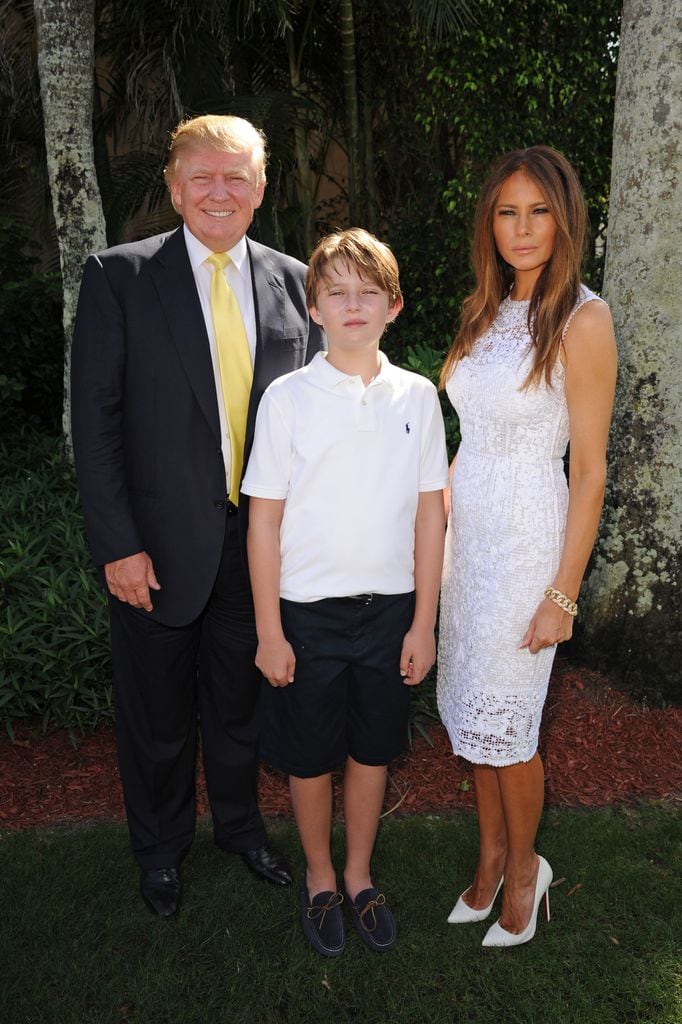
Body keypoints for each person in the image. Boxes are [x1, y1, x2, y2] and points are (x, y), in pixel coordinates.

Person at [71, 114, 324, 917]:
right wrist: (118, 543)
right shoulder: (119, 277)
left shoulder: (293, 281)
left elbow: (314, 422)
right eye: (204, 177)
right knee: (156, 714)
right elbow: (96, 422)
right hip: (155, 546)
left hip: (259, 545)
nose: (221, 192)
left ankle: (242, 831)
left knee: (241, 703)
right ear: (176, 188)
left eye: (237, 177)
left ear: (260, 187)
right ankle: (160, 849)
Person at [241, 228, 448, 956]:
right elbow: (262, 520)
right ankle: (320, 877)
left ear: (394, 306)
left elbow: (431, 511)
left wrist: (424, 622)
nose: (353, 304)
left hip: (390, 612)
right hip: (304, 614)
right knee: (307, 754)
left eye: (369, 292)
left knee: (371, 750)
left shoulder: (418, 396)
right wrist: (269, 629)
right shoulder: (287, 398)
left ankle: (360, 875)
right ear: (314, 308)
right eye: (337, 292)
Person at [437, 145, 617, 947]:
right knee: (475, 718)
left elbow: (590, 472)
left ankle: (524, 871)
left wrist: (562, 592)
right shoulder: (485, 308)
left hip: (526, 543)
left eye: (538, 211)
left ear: (565, 217)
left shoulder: (584, 317)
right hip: (467, 544)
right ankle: (487, 860)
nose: (522, 228)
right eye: (507, 212)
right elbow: (464, 439)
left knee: (509, 729)